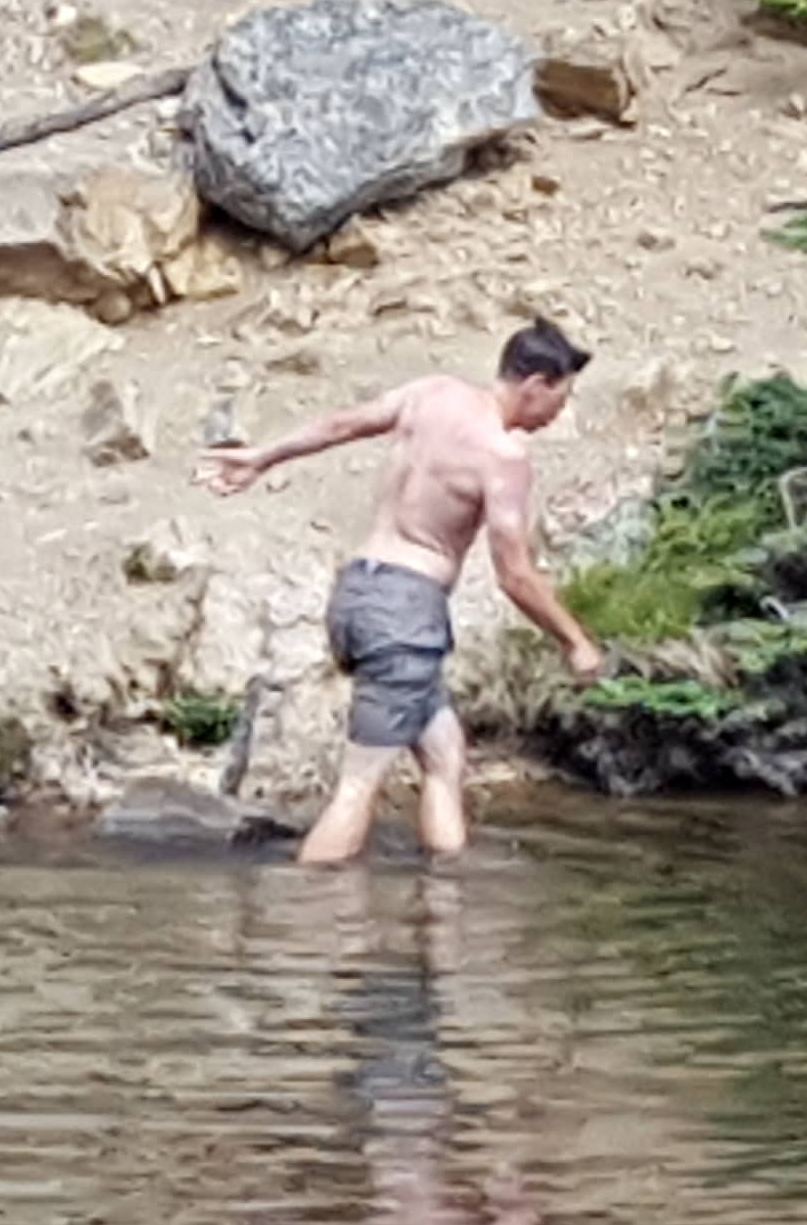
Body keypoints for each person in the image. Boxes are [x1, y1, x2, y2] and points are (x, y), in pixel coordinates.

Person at [196, 323, 608, 863]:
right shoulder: (502, 455)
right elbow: (515, 574)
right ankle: (300, 920)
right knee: (358, 784)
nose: (559, 412)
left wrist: (262, 456)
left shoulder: (430, 394)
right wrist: (575, 640)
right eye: (561, 395)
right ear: (534, 383)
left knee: (443, 753)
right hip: (406, 614)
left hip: (357, 594)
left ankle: (445, 892)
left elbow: (343, 424)